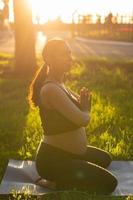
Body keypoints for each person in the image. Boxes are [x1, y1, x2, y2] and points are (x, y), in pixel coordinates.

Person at [28, 38, 117, 194]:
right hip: (53, 160)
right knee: (110, 183)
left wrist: (83, 105)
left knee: (105, 159)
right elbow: (83, 119)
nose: (70, 57)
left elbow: (81, 108)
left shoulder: (61, 85)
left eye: (69, 53)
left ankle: (74, 168)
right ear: (49, 59)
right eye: (64, 54)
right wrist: (86, 108)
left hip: (71, 154)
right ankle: (56, 182)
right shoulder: (50, 89)